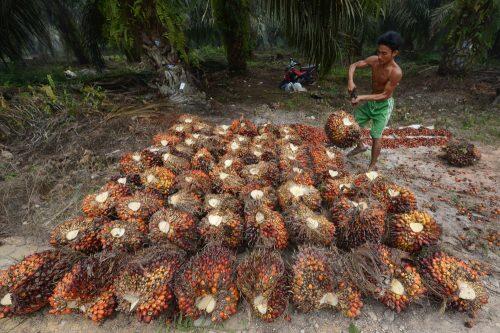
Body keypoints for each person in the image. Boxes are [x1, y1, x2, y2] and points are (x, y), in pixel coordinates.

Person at [347, 31, 403, 170]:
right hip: (372, 101)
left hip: (383, 105)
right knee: (353, 125)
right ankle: (360, 146)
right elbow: (353, 65)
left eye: (384, 53)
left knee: (376, 136)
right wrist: (350, 81)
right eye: (378, 52)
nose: (379, 56)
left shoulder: (396, 72)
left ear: (394, 53)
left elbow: (384, 95)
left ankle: (371, 167)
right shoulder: (374, 60)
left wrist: (361, 97)